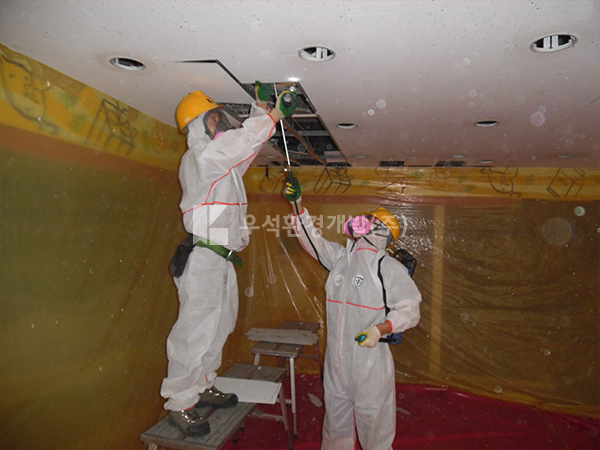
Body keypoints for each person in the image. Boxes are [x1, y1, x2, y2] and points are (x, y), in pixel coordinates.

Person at [161, 83, 297, 436]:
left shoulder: (221, 163)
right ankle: (180, 402)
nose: (221, 123)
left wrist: (260, 108)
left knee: (219, 325)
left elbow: (244, 151)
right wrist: (274, 116)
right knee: (195, 332)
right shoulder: (203, 157)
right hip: (205, 258)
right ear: (198, 124)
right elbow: (240, 144)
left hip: (219, 259)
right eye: (215, 118)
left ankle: (203, 384)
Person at [283, 176, 421, 450]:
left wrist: (379, 329)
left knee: (375, 430)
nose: (363, 222)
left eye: (371, 220)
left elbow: (411, 309)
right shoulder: (340, 260)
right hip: (337, 362)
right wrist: (297, 205)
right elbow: (313, 241)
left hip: (369, 364)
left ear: (382, 232)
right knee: (335, 430)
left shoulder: (387, 267)